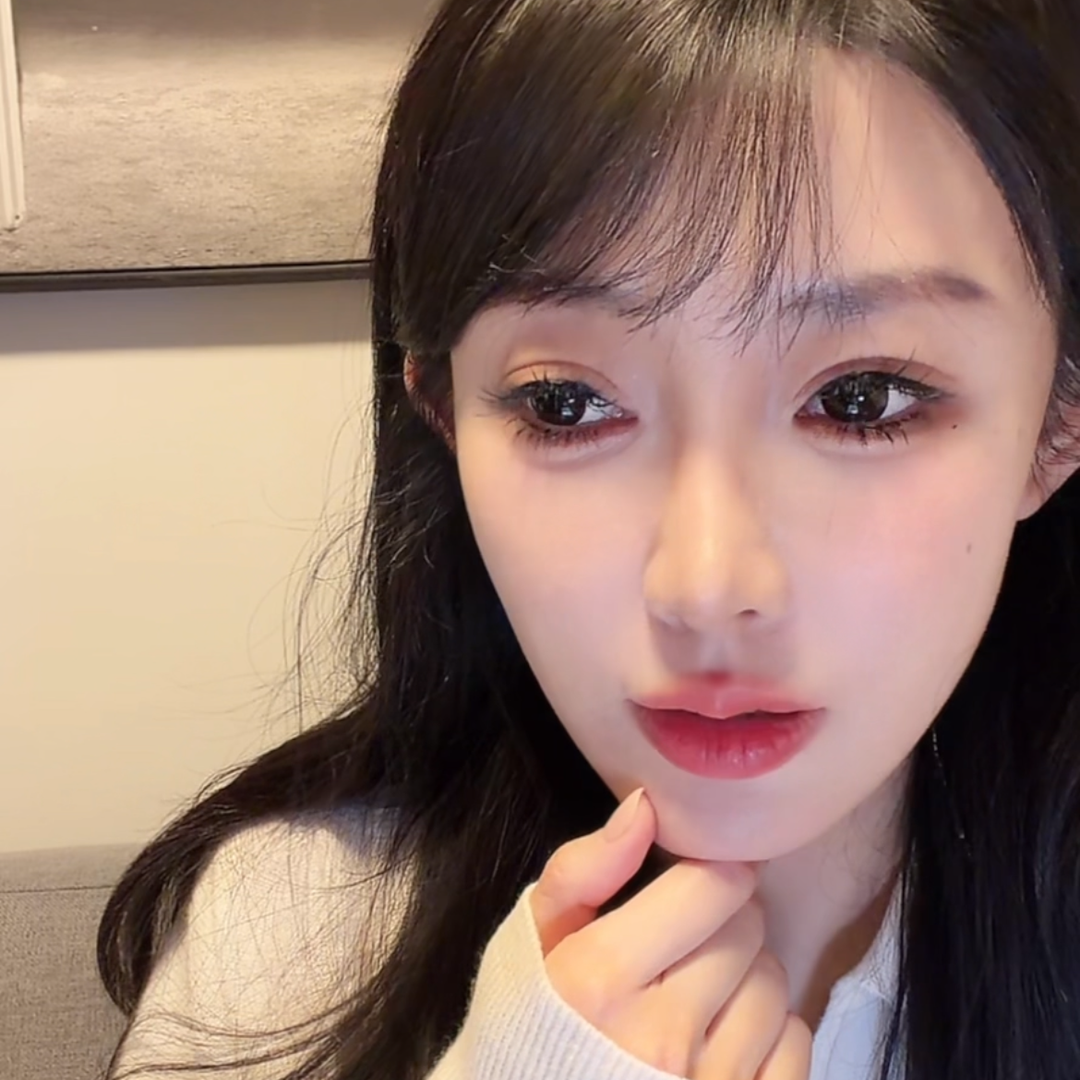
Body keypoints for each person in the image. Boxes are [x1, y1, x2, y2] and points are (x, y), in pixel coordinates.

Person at [96, 0, 1080, 1078]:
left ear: (1057, 422)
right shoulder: (287, 949)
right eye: (565, 404)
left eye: (863, 399)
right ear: (441, 413)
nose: (707, 585)